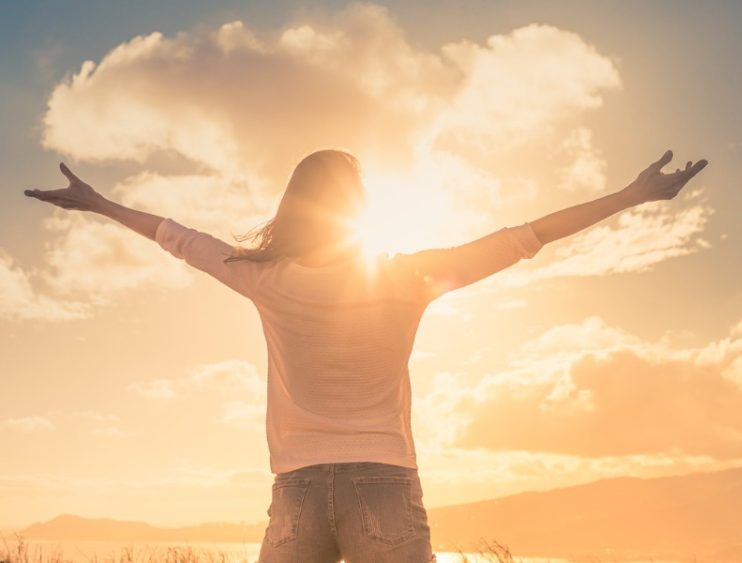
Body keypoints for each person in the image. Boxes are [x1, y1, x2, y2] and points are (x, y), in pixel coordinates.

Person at [25, 148, 707, 563]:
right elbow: (527, 235)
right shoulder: (407, 278)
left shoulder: (264, 276)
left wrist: (97, 203)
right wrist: (631, 195)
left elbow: (175, 235)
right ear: (359, 209)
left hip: (296, 489)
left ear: (295, 205)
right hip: (384, 484)